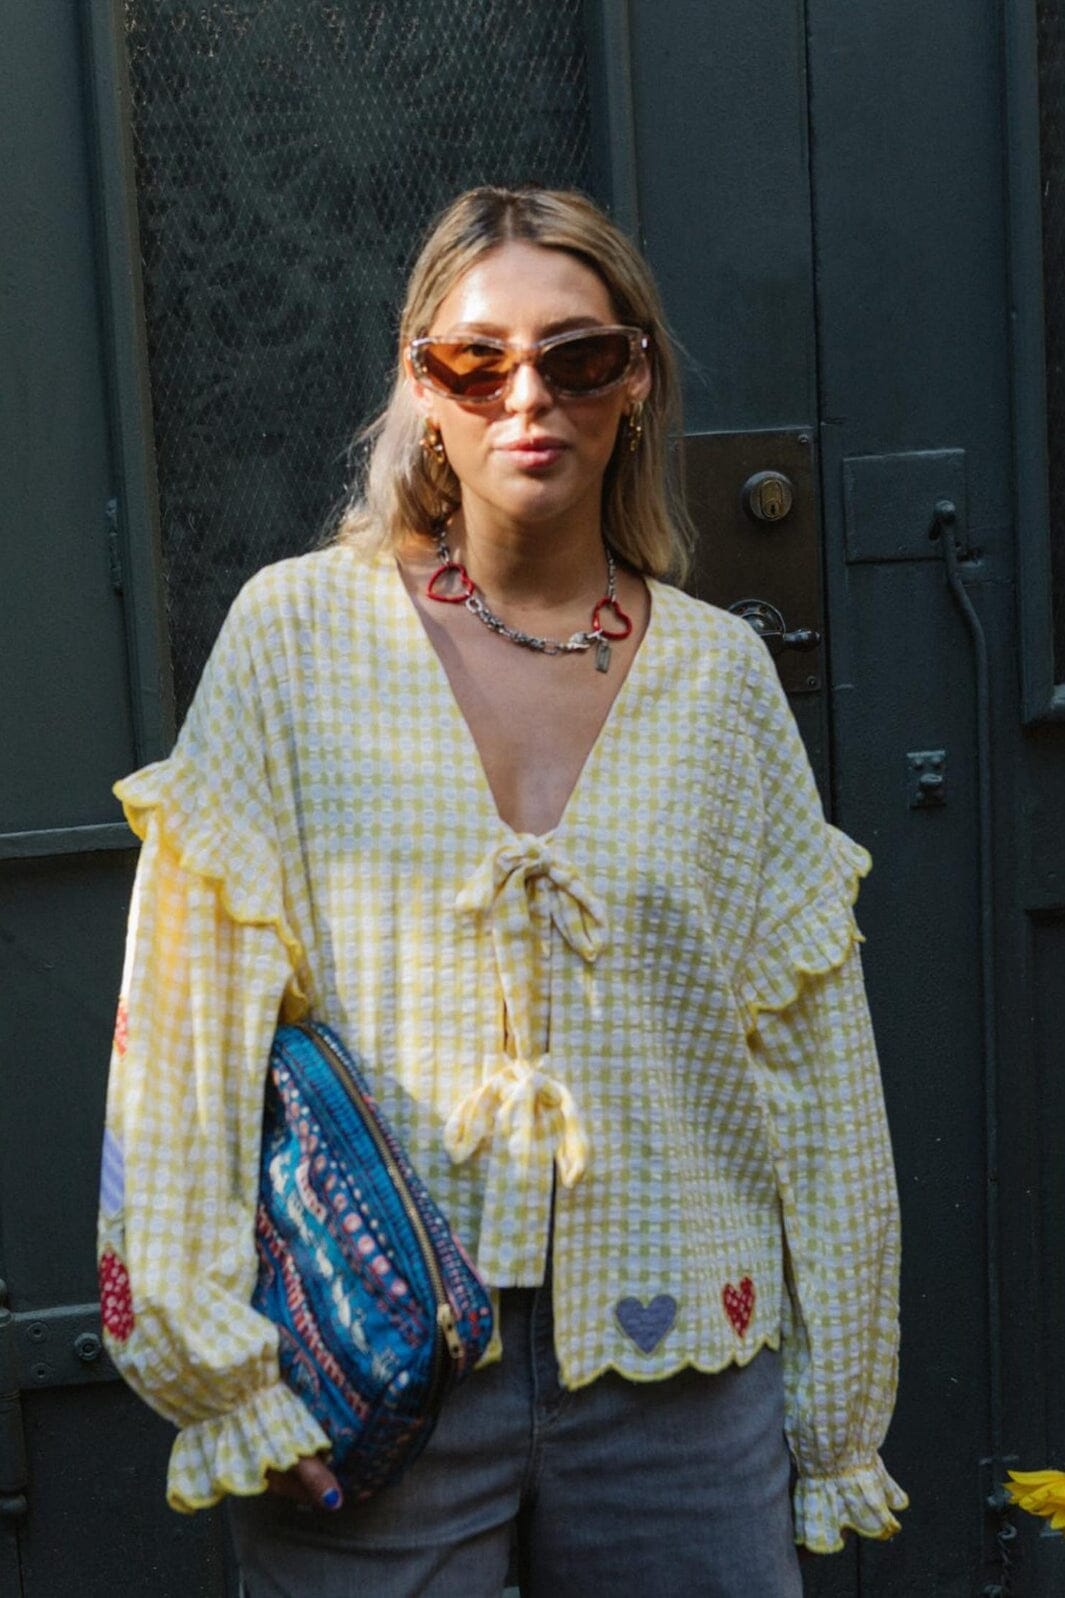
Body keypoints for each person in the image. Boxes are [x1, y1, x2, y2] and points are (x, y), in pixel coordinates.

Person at [98, 185, 907, 1596]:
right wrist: (220, 1370)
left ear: (635, 380)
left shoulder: (719, 682)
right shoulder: (296, 639)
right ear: (422, 387)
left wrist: (836, 1411)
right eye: (475, 360)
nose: (526, 396)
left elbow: (815, 1056)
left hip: (680, 1365)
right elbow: (182, 1016)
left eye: (576, 356)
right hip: (376, 1346)